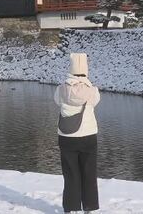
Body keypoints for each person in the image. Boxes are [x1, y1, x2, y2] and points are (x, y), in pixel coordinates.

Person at [54, 53, 101, 213]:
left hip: (67, 137)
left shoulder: (61, 89)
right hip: (88, 136)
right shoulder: (92, 91)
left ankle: (71, 208)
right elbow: (95, 102)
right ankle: (89, 207)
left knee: (70, 173)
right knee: (89, 173)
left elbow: (57, 102)